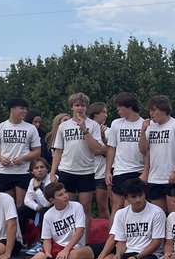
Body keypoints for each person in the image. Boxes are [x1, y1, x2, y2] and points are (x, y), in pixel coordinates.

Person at [50, 93, 106, 227]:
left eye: (82, 105)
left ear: (86, 107)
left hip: (86, 171)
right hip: (67, 170)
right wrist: (52, 172)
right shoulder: (64, 126)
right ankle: (68, 240)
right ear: (71, 107)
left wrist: (84, 130)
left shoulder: (93, 125)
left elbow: (97, 149)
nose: (79, 108)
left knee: (85, 207)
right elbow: (58, 150)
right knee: (66, 206)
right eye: (76, 105)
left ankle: (84, 241)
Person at [0, 97, 42, 209]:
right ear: (12, 109)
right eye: (21, 108)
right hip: (4, 171)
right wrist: (1, 158)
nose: (25, 111)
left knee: (21, 205)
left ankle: (21, 226)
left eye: (26, 109)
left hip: (23, 171)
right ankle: (8, 227)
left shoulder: (31, 128)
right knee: (6, 205)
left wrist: (24, 158)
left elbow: (37, 151)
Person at [139, 95, 175, 208]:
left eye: (154, 110)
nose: (151, 114)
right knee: (159, 214)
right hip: (154, 177)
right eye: (150, 110)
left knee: (174, 213)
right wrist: (143, 131)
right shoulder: (150, 127)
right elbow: (143, 150)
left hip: (172, 177)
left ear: (164, 109)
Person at [105, 92, 147, 214]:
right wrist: (108, 171)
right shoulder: (116, 124)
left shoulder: (144, 124)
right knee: (116, 207)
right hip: (120, 170)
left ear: (129, 106)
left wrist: (145, 172)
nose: (117, 109)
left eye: (119, 106)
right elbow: (111, 148)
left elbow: (147, 151)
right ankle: (112, 234)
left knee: (134, 206)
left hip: (138, 170)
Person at [19, 157, 52, 247]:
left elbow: (47, 203)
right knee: (21, 210)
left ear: (47, 169)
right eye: (36, 168)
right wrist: (37, 207)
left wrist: (37, 189)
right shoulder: (32, 181)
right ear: (32, 171)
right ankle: (20, 240)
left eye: (42, 167)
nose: (39, 170)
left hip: (53, 210)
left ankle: (42, 242)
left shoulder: (52, 179)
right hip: (40, 209)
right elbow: (27, 200)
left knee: (43, 211)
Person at [88, 102, 110, 219]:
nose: (106, 115)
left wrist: (99, 147)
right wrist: (99, 149)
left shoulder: (109, 131)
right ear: (94, 115)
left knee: (103, 206)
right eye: (104, 112)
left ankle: (105, 233)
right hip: (86, 172)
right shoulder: (85, 130)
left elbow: (109, 151)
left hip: (101, 173)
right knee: (85, 207)